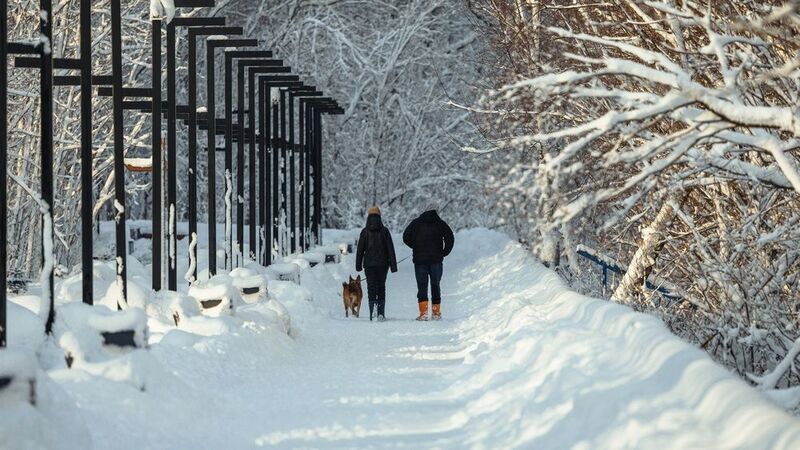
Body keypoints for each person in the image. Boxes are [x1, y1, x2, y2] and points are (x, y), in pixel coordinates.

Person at [402, 201, 454, 321]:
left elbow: (405, 237)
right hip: (436, 260)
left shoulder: (416, 223)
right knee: (435, 285)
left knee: (422, 286)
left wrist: (415, 246)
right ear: (436, 211)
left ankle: (423, 313)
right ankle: (436, 313)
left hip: (420, 260)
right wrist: (444, 252)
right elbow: (450, 238)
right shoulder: (441, 223)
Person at [355, 206, 398, 321]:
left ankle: (372, 312)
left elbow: (360, 250)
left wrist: (358, 265)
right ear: (379, 216)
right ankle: (380, 313)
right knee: (381, 287)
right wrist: (393, 266)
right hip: (383, 265)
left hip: (369, 265)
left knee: (371, 287)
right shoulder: (385, 231)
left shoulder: (365, 232)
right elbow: (390, 249)